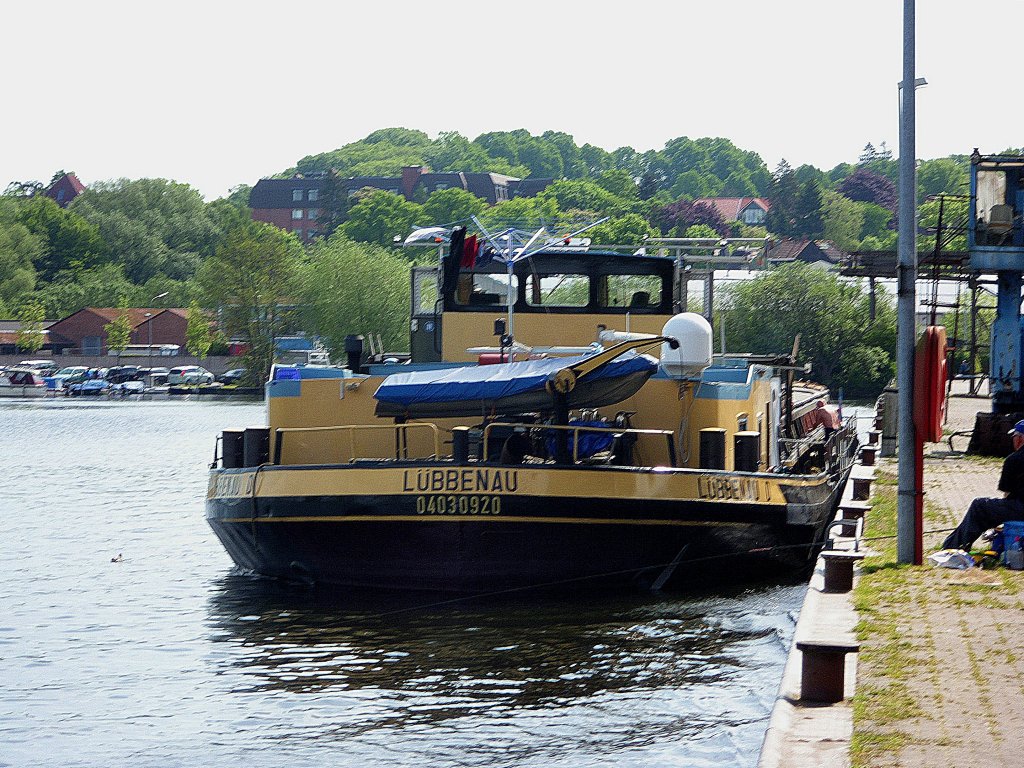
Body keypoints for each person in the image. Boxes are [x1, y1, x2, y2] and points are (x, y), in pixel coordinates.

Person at [941, 419, 1024, 551]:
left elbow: (1007, 493)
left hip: (1020, 509)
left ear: (1020, 439)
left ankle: (953, 547)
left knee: (980, 506)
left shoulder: (1014, 460)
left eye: (1014, 437)